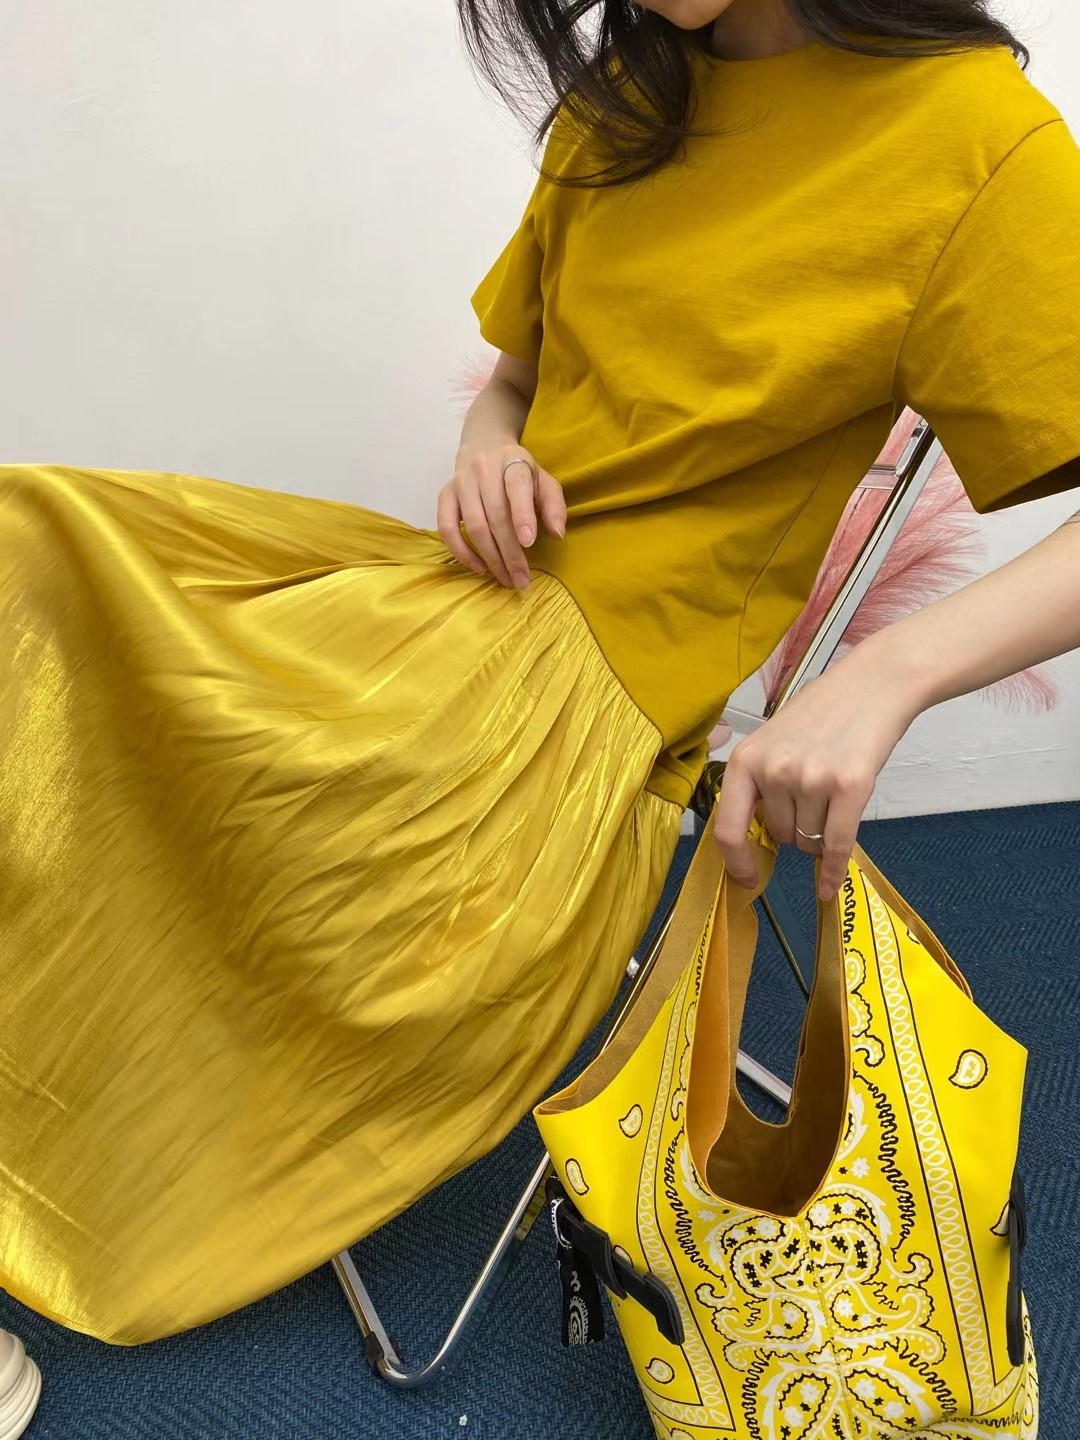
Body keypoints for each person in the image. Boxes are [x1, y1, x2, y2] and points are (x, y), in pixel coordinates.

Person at [1, 0, 1079, 1365]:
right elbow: (511, 387)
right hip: (456, 606)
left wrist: (890, 673)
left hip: (573, 713)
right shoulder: (626, 100)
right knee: (35, 542)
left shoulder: (973, 138)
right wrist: (485, 453)